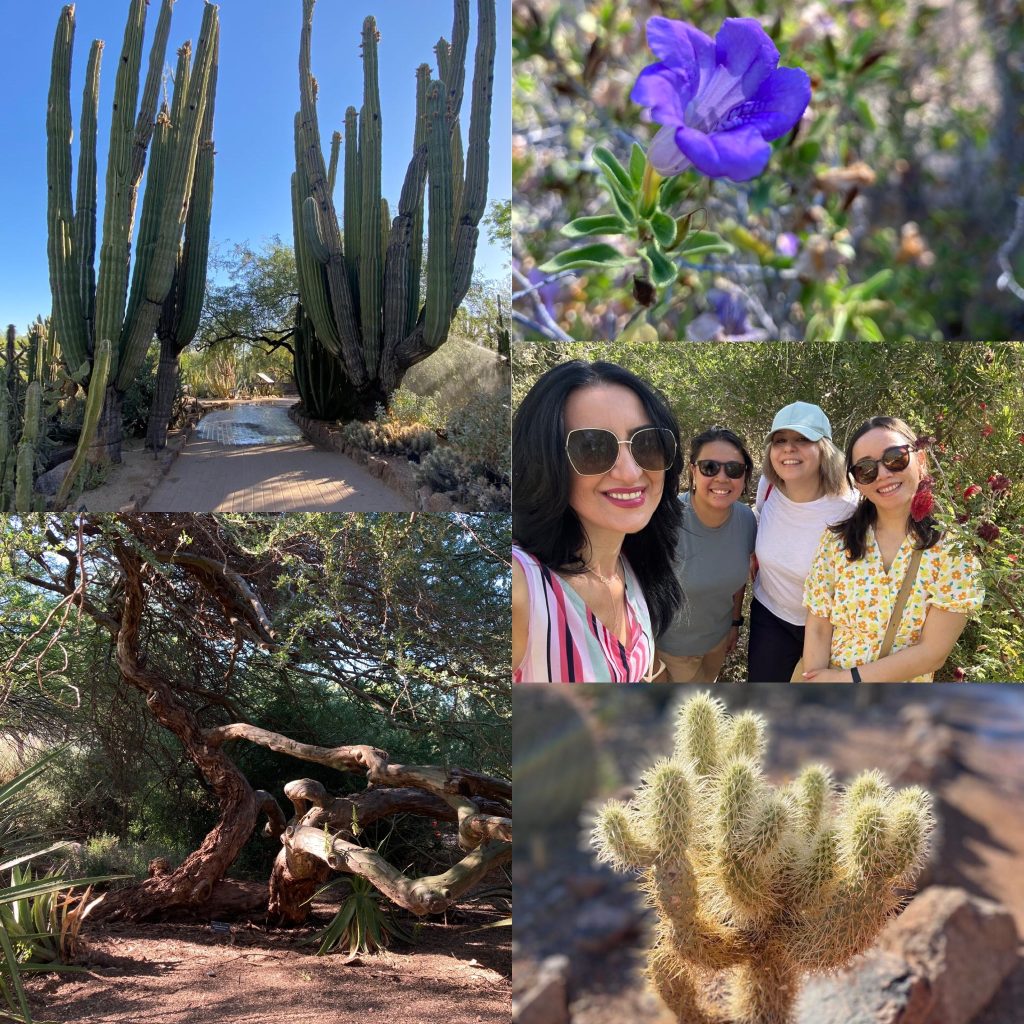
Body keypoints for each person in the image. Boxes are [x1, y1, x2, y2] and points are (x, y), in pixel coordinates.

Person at [512, 361, 683, 683]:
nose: (631, 472)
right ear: (545, 462)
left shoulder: (632, 566)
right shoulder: (522, 586)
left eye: (647, 443)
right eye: (591, 448)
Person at [801, 416, 984, 682]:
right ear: (857, 482)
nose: (884, 474)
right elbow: (818, 624)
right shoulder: (836, 542)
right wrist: (816, 684)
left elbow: (933, 652)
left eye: (895, 458)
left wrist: (847, 680)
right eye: (865, 469)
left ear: (920, 460)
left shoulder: (954, 552)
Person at [747, 402, 859, 681]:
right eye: (780, 440)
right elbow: (760, 525)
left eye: (802, 439)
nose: (788, 448)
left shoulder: (850, 507)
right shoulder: (768, 487)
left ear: (824, 449)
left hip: (829, 628)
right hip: (771, 616)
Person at [655, 427, 757, 683]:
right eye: (710, 467)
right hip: (673, 652)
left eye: (733, 469)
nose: (722, 478)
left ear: (745, 475)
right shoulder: (663, 521)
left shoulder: (746, 520)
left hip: (717, 641)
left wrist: (735, 623)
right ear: (693, 471)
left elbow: (738, 577)